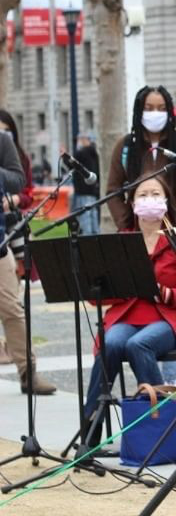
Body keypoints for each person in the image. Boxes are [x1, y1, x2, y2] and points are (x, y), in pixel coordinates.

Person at [83, 177, 176, 433]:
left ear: (166, 202)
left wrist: (167, 294)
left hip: (171, 320)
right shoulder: (122, 240)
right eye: (142, 195)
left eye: (155, 193)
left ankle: (164, 423)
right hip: (128, 316)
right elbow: (99, 293)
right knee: (109, 344)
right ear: (132, 204)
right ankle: (91, 427)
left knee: (138, 345)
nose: (149, 199)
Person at [0, 128, 55, 393]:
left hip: (0, 244)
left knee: (12, 308)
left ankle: (28, 372)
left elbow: (18, 179)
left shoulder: (3, 140)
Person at [106, 86, 176, 231]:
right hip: (136, 229)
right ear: (139, 111)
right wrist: (125, 223)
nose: (155, 113)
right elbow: (113, 191)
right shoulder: (125, 146)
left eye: (161, 108)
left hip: (174, 230)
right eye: (148, 108)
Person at [70, 132, 101, 235]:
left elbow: (72, 165)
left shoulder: (81, 153)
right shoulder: (94, 153)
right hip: (93, 190)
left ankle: (87, 239)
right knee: (93, 216)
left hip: (82, 190)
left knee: (85, 217)